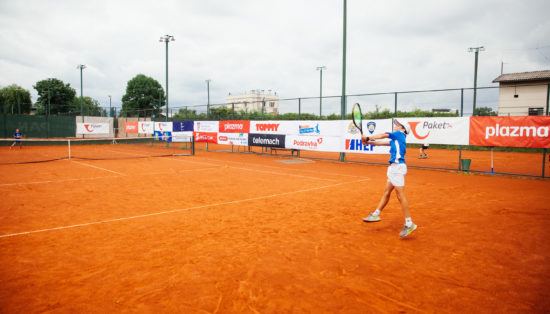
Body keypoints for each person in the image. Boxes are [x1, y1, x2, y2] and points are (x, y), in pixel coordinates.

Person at [361, 120, 417, 237]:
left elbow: (383, 135)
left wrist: (368, 137)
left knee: (400, 195)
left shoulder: (399, 134)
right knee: (386, 192)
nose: (395, 126)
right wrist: (368, 142)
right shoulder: (395, 140)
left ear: (403, 129)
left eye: (397, 125)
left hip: (397, 168)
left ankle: (409, 223)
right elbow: (380, 142)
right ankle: (376, 214)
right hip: (393, 169)